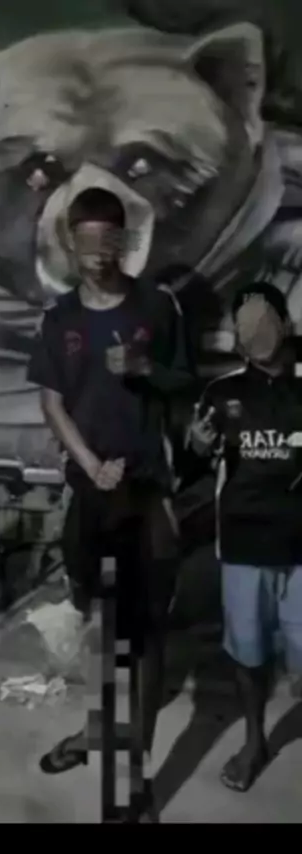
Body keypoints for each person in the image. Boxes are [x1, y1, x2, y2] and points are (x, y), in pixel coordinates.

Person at [27, 187, 193, 821]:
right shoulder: (60, 318)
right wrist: (91, 464)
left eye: (109, 240)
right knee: (101, 630)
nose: (98, 253)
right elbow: (51, 402)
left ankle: (135, 780)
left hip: (145, 494)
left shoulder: (157, 305)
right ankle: (97, 731)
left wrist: (147, 367)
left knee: (145, 637)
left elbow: (186, 383)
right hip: (90, 496)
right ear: (71, 244)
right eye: (86, 240)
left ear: (123, 241)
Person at [188, 281, 302, 793]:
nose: (255, 329)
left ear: (286, 324)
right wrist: (196, 446)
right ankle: (255, 741)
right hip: (243, 549)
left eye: (264, 317)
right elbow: (196, 462)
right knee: (249, 655)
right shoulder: (221, 394)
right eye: (245, 320)